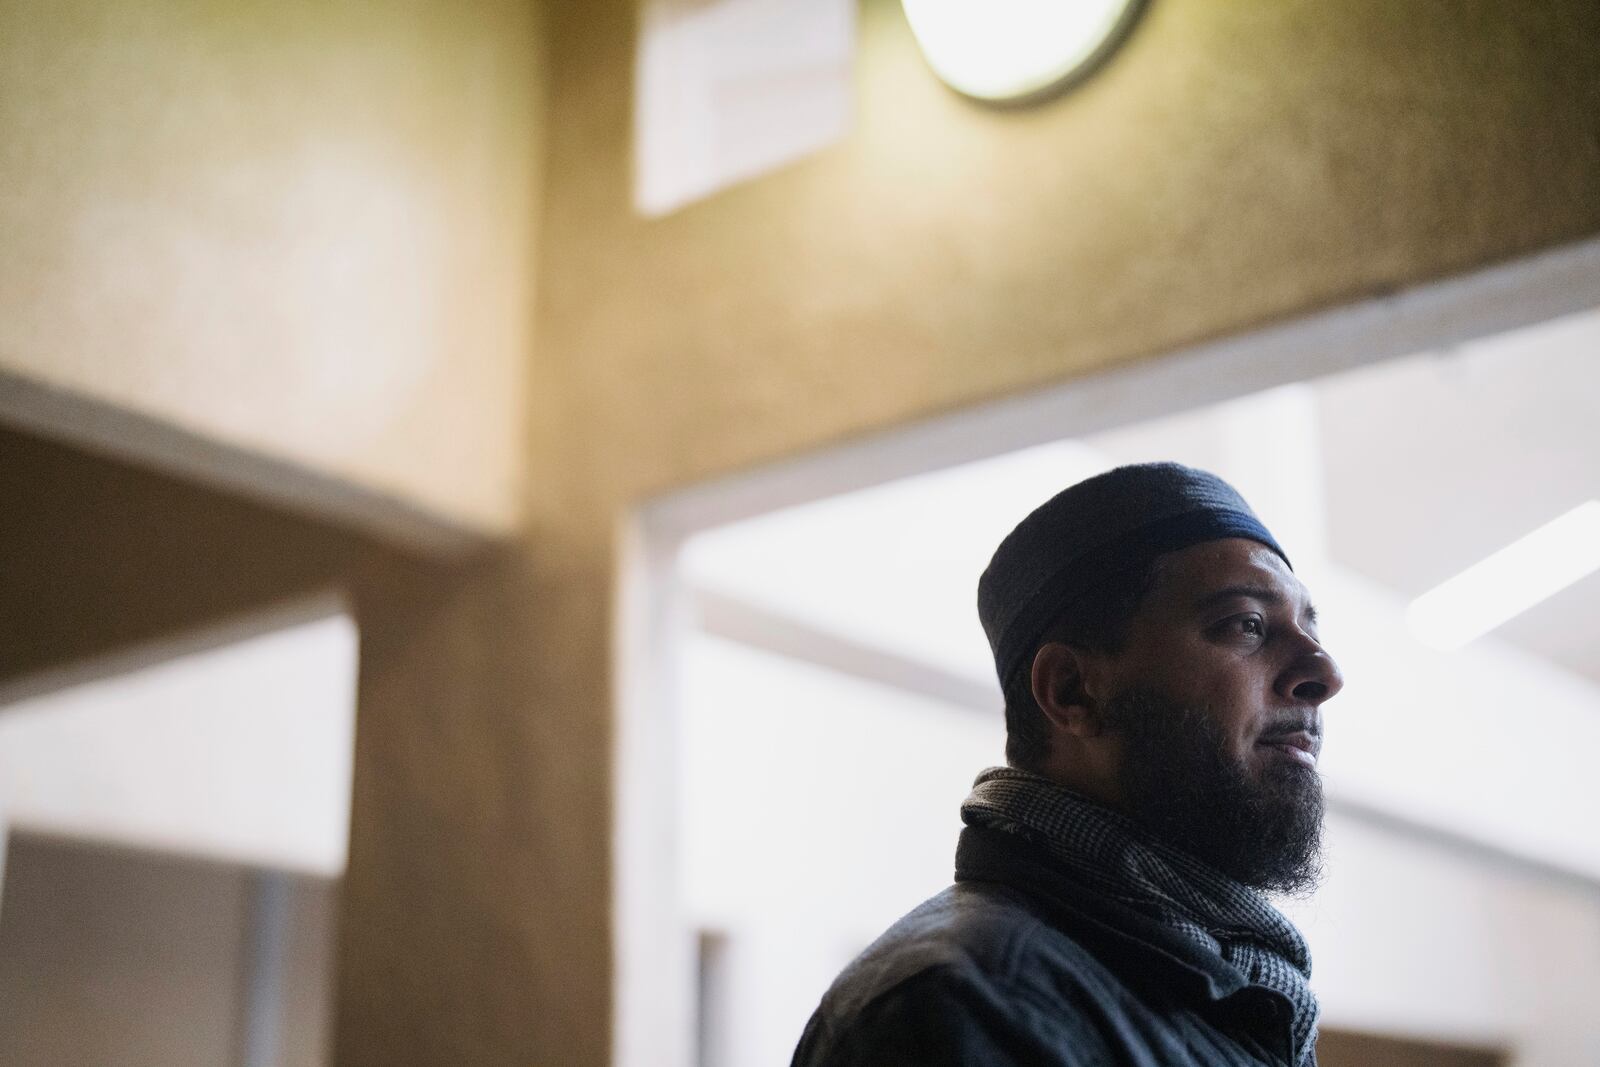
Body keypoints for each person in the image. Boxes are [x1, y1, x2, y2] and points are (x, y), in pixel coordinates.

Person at [790, 462, 1344, 1067]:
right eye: (1248, 625)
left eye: (1310, 628)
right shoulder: (961, 1006)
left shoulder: (1235, 985)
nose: (1324, 674)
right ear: (1073, 691)